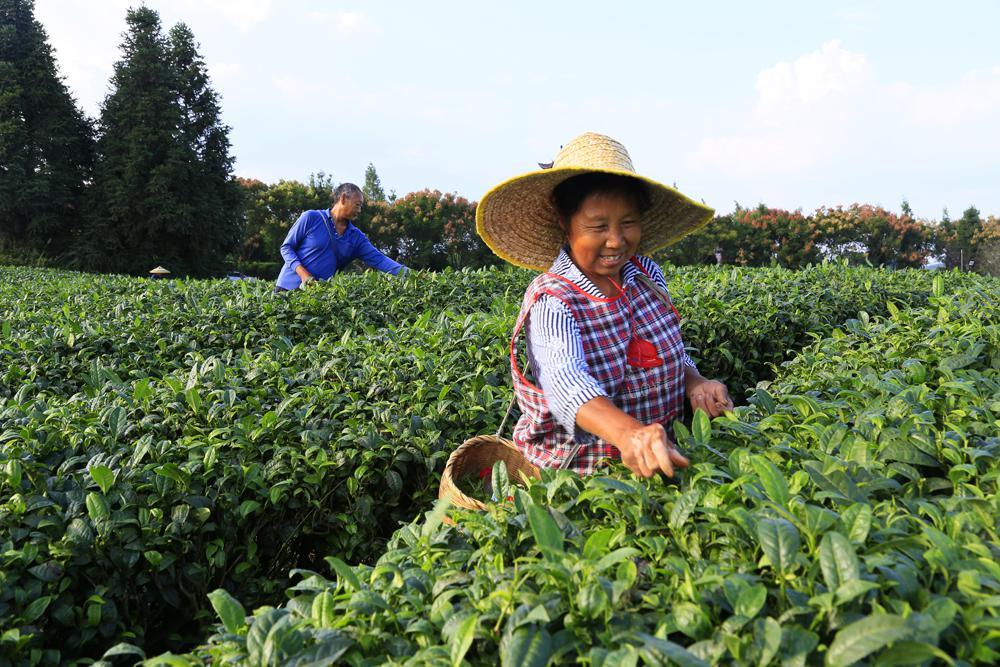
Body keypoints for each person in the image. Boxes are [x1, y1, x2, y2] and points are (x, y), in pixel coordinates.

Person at [476, 132, 733, 478]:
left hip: (658, 466)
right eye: (598, 226)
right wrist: (629, 433)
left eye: (628, 223)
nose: (616, 240)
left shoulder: (646, 275)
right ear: (565, 224)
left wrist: (695, 382)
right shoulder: (552, 299)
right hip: (577, 484)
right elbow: (566, 382)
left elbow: (670, 349)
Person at [274, 183, 408, 292]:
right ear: (343, 198)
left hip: (314, 296)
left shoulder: (356, 237)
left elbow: (381, 261)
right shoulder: (311, 218)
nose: (360, 210)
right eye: (357, 205)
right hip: (286, 289)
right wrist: (304, 274)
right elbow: (286, 248)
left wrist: (413, 276)